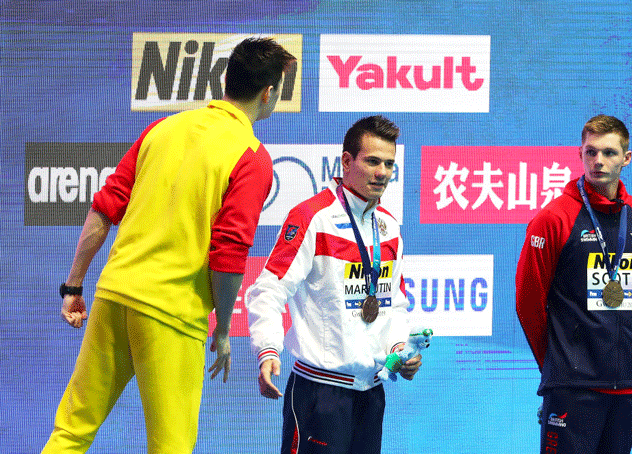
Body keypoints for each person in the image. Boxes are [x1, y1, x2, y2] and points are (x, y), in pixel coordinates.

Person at [42, 37, 295, 454]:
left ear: (227, 80)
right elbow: (228, 255)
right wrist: (225, 330)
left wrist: (73, 287)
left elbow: (102, 212)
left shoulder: (164, 128)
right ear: (268, 94)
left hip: (112, 298)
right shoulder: (252, 156)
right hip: (172, 314)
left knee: (70, 432)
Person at [246, 115, 421, 454]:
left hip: (372, 395)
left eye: (388, 163)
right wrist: (267, 348)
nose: (382, 172)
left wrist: (400, 349)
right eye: (372, 161)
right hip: (319, 395)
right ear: (346, 161)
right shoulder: (313, 217)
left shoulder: (389, 227)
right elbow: (267, 290)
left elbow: (393, 303)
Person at [516, 114, 632, 454]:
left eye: (609, 153)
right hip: (571, 386)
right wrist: (557, 365)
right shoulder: (553, 218)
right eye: (590, 152)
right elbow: (528, 303)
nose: (598, 161)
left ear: (627, 158)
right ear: (580, 154)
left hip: (626, 387)